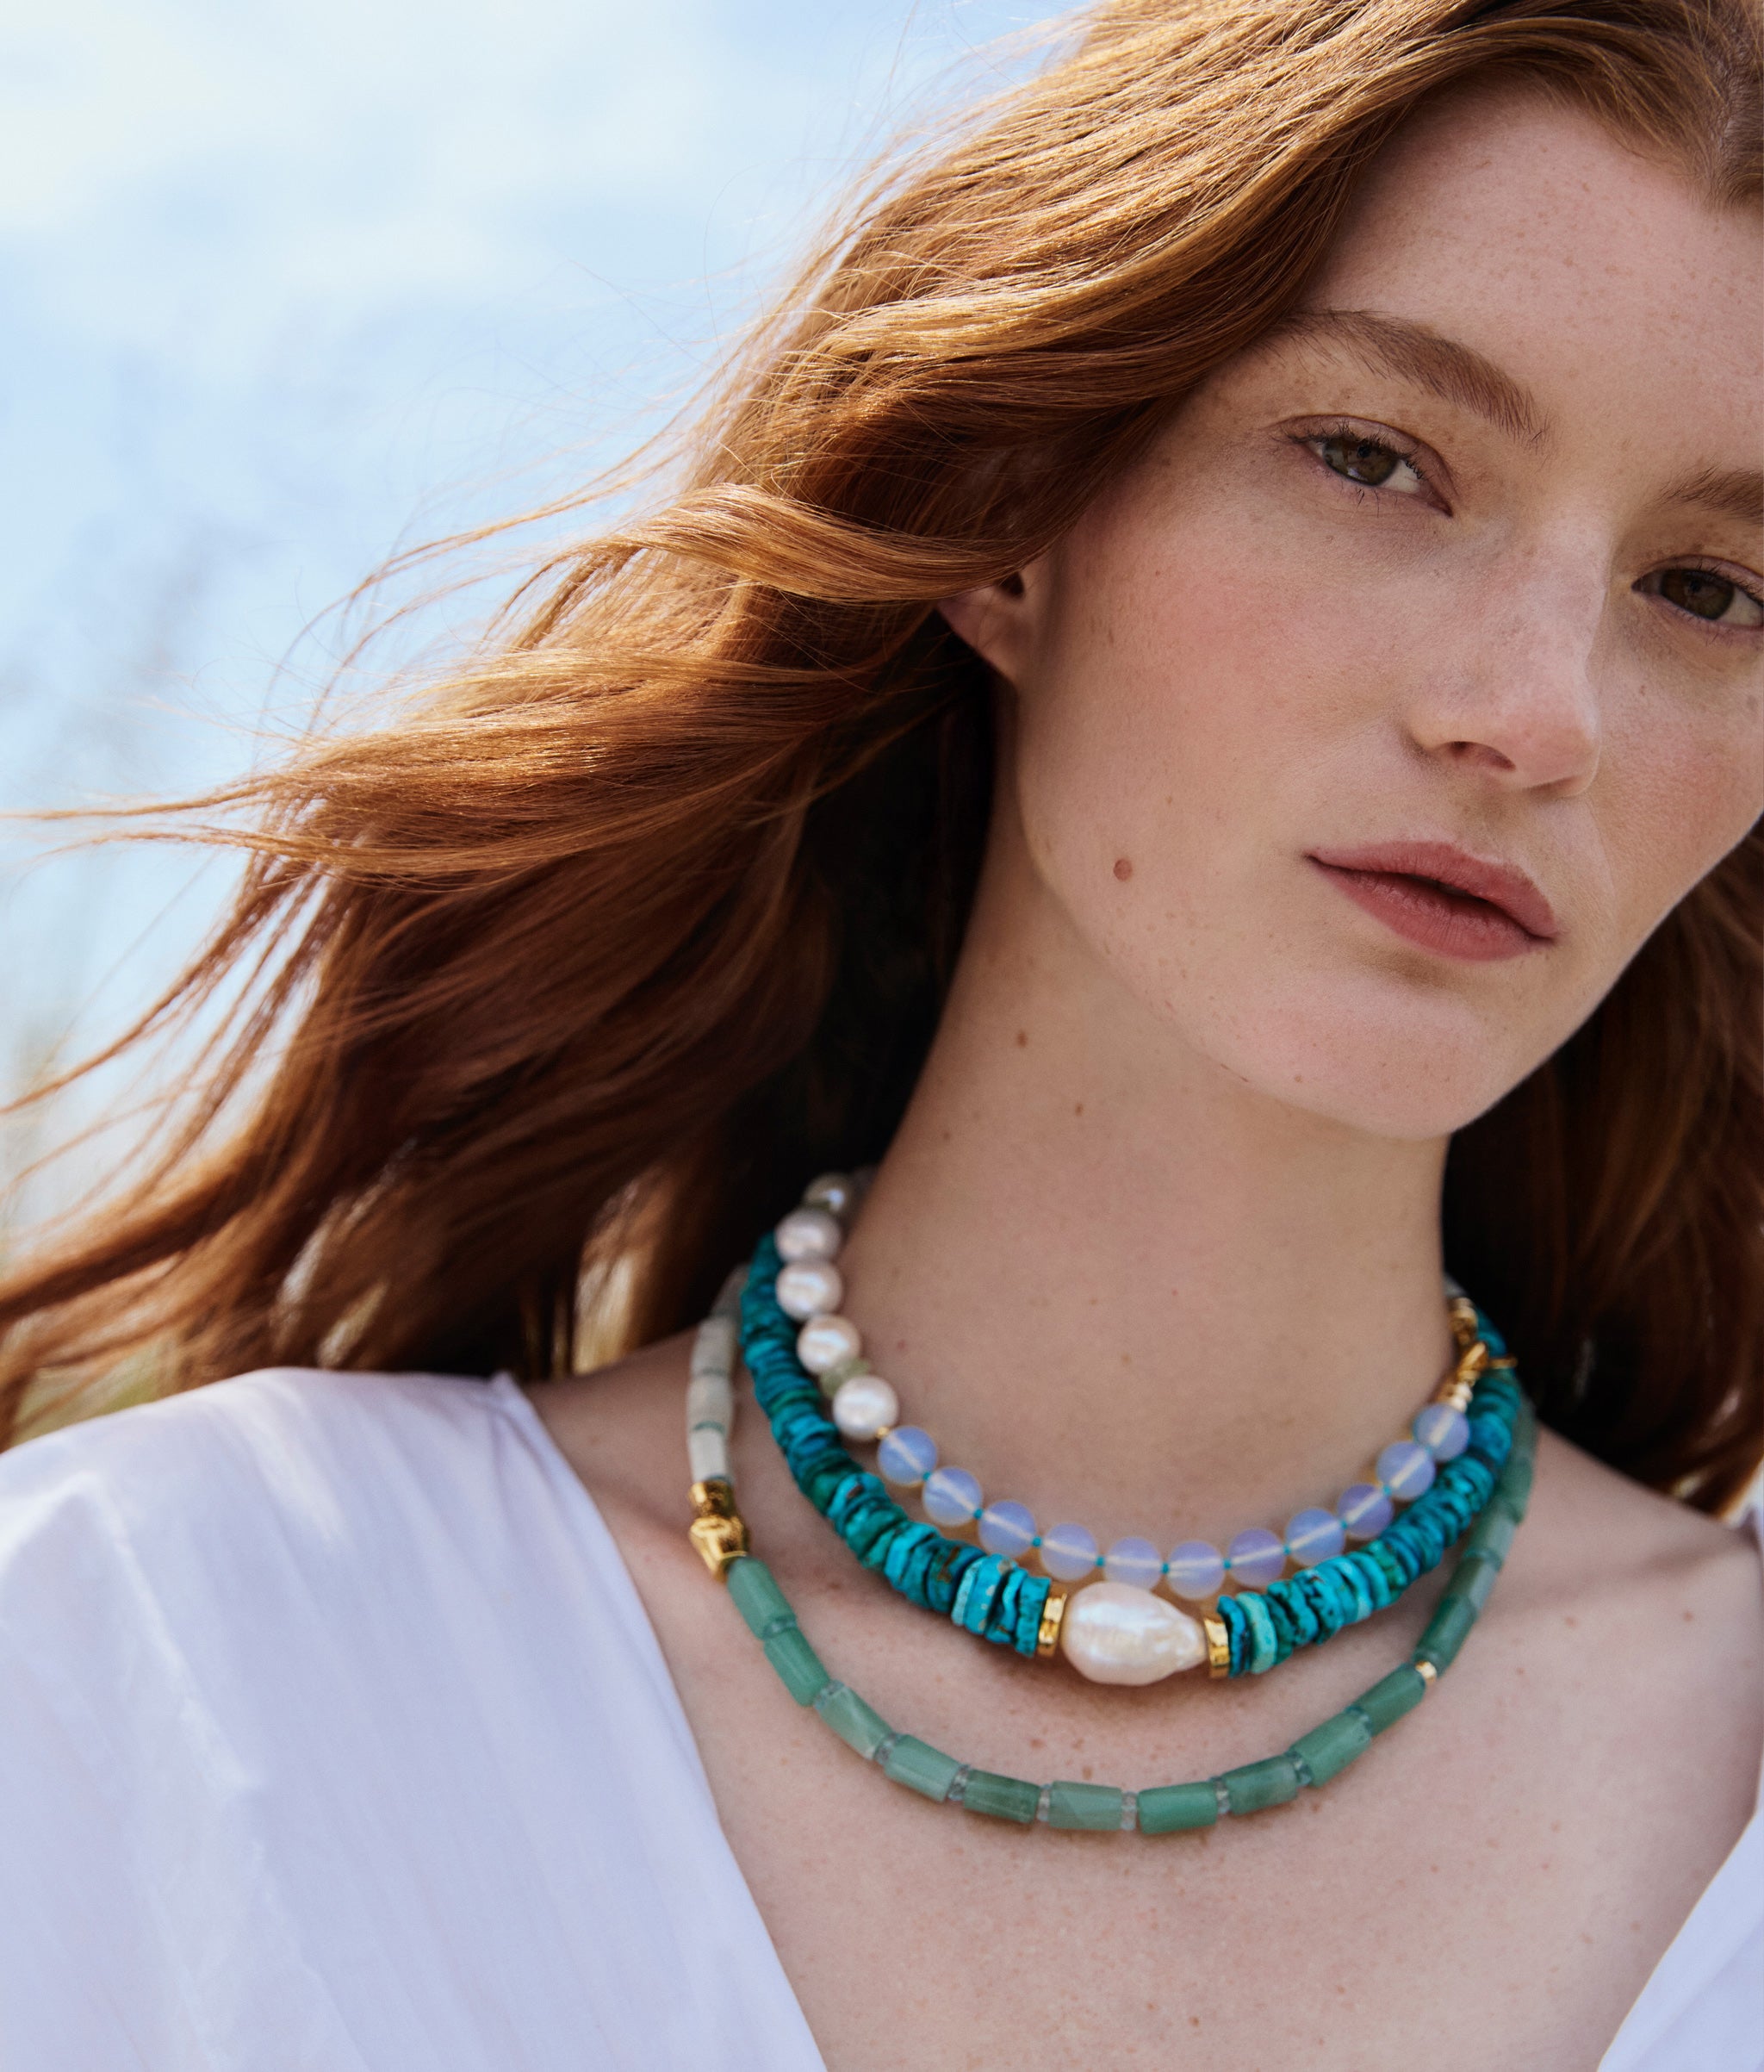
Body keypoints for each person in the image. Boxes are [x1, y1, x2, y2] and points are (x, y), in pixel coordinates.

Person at [1, 1, 1759, 2066]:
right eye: (1373, 460)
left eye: (1712, 590)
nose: (1536, 714)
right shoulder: (170, 1650)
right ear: (1015, 513)